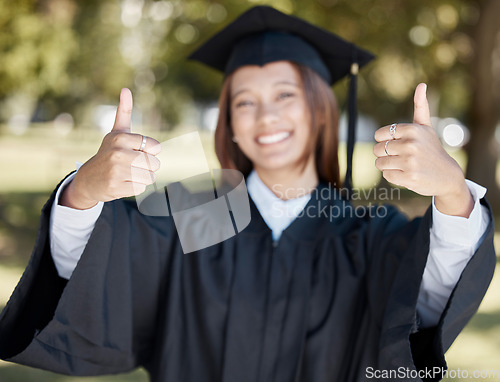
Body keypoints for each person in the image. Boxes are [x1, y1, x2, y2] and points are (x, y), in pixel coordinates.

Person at [0, 5, 495, 382]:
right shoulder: (201, 215)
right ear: (230, 124)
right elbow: (101, 271)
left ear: (320, 110)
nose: (265, 116)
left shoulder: (363, 233)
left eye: (285, 95)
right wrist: (86, 190)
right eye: (244, 101)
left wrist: (452, 190)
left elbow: (427, 299)